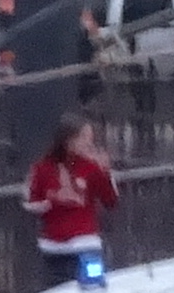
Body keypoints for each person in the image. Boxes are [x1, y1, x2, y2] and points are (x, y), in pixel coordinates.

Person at [23, 113, 124, 276]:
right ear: (68, 140)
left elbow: (111, 201)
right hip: (54, 246)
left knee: (91, 290)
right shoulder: (42, 168)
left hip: (86, 243)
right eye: (83, 137)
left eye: (90, 137)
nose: (88, 143)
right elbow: (30, 201)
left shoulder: (91, 167)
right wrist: (51, 201)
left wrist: (105, 172)